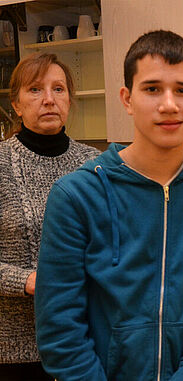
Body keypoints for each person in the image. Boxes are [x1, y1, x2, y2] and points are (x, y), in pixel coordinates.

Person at [35, 30, 183, 380]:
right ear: (127, 98)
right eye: (152, 89)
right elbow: (59, 327)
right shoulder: (76, 196)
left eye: (182, 90)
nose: (168, 104)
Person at [0, 53, 100, 380]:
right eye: (35, 90)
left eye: (58, 89)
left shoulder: (95, 164)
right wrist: (27, 281)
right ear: (16, 104)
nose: (48, 100)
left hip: (84, 345)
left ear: (70, 99)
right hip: (14, 352)